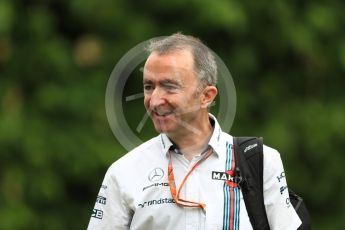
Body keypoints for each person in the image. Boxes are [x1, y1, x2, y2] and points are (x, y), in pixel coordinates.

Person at [87, 33, 302, 230]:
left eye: (169, 86)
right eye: (149, 87)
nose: (154, 100)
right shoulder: (123, 172)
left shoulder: (262, 162)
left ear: (206, 96)